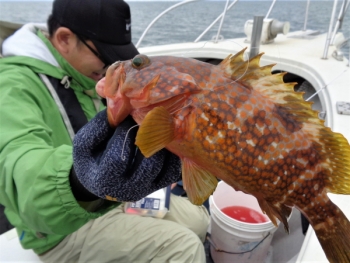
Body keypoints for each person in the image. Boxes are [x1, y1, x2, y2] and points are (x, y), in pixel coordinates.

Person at [0, 0, 210, 262]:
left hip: (112, 199)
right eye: (105, 53)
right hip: (59, 229)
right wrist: (81, 181)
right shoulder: (10, 87)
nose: (113, 63)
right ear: (65, 39)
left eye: (120, 55)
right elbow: (20, 171)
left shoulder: (87, 75)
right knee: (184, 247)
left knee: (199, 219)